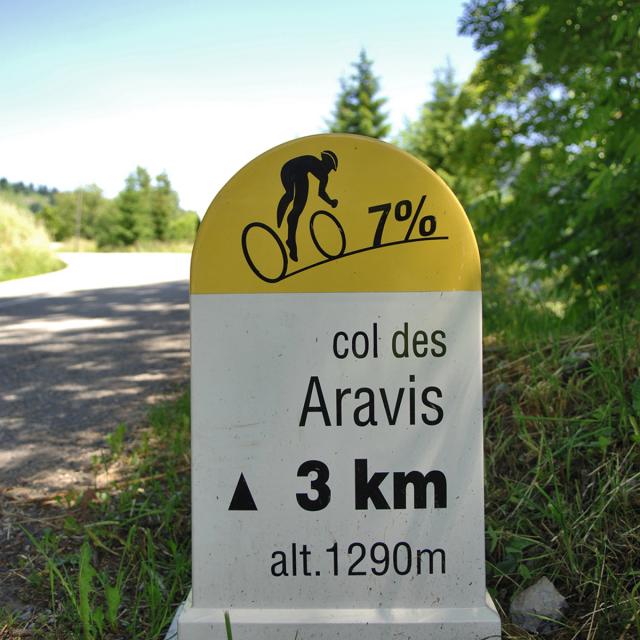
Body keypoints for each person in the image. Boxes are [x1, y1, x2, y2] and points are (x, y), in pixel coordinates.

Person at [276, 150, 339, 261]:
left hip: (301, 176)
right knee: (290, 195)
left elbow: (321, 193)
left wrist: (331, 202)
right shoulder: (311, 160)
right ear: (324, 161)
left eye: (330, 169)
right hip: (289, 169)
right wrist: (330, 202)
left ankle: (291, 241)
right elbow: (293, 166)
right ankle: (280, 222)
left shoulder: (324, 176)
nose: (328, 171)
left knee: (297, 211)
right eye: (329, 167)